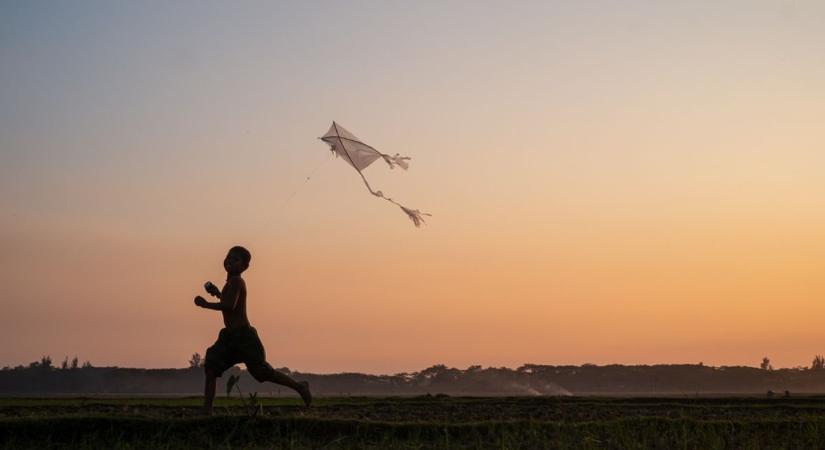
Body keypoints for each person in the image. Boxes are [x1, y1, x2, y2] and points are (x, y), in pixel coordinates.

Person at [195, 246, 311, 414]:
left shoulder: (236, 281)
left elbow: (229, 306)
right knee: (211, 366)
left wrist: (205, 304)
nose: (229, 261)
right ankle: (207, 410)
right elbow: (230, 303)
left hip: (244, 337)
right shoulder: (231, 282)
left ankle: (299, 386)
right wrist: (218, 293)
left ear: (244, 267)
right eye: (228, 257)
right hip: (230, 337)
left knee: (262, 372)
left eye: (235, 259)